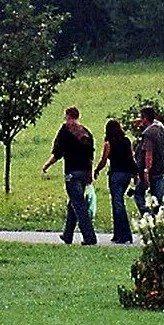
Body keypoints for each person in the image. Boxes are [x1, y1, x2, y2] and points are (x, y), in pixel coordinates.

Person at [39, 105, 97, 245]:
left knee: (78, 205)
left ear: (68, 117)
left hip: (72, 172)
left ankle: (90, 237)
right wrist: (90, 173)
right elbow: (90, 156)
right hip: (84, 173)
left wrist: (47, 164)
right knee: (73, 204)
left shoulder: (65, 131)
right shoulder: (86, 133)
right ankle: (68, 234)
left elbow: (58, 153)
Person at [93, 117, 137, 244]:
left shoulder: (109, 142)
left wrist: (96, 170)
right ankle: (118, 234)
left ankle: (124, 234)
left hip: (116, 174)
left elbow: (104, 159)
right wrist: (135, 173)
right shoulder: (126, 141)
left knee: (117, 203)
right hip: (127, 174)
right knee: (118, 201)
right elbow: (131, 157)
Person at [136, 104, 164, 213]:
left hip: (150, 171)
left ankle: (147, 215)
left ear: (145, 117)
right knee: (157, 197)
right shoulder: (160, 127)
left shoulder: (148, 134)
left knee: (138, 194)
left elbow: (148, 153)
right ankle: (157, 215)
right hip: (161, 168)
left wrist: (146, 171)